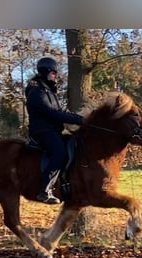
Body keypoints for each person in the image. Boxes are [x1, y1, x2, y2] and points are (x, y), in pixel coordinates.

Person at [25, 57, 84, 204]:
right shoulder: (37, 92)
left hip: (53, 130)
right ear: (45, 72)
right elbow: (52, 113)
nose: (55, 75)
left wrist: (81, 118)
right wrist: (78, 120)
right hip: (42, 131)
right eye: (53, 73)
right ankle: (45, 191)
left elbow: (61, 110)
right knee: (59, 153)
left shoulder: (49, 92)